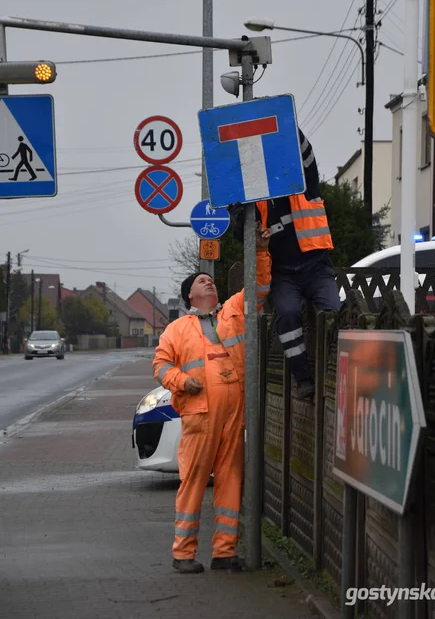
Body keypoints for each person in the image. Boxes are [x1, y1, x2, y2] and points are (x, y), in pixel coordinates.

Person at [152, 223, 271, 575]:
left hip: (234, 414)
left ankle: (224, 553)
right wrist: (181, 381)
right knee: (193, 482)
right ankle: (184, 555)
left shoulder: (233, 311)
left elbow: (261, 287)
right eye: (202, 282)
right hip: (200, 415)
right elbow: (160, 366)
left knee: (231, 481)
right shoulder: (177, 329)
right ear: (189, 296)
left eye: (211, 281)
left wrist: (262, 251)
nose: (210, 283)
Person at [229, 128, 340, 401]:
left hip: (316, 266)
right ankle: (303, 379)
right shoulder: (256, 202)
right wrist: (242, 216)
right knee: (288, 315)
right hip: (283, 275)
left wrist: (289, 124)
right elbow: (237, 224)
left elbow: (308, 157)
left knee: (335, 313)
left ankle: (334, 368)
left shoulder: (304, 184)